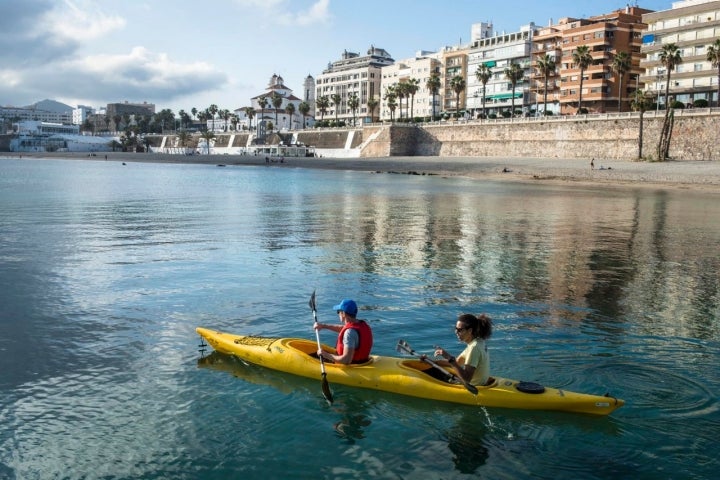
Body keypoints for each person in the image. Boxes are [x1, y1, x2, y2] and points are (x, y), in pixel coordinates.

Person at [433, 313, 492, 385]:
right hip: (481, 383)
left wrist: (449, 358)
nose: (456, 332)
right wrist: (433, 362)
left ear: (470, 331)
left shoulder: (474, 348)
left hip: (474, 387)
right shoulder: (479, 342)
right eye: (456, 329)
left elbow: (467, 379)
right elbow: (457, 362)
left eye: (460, 330)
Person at [315, 299, 373, 364]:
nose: (338, 314)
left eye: (338, 312)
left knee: (314, 355)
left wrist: (326, 355)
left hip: (351, 366)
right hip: (363, 361)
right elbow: (344, 329)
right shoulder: (362, 325)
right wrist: (323, 326)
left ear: (343, 314)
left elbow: (346, 360)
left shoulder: (349, 333)